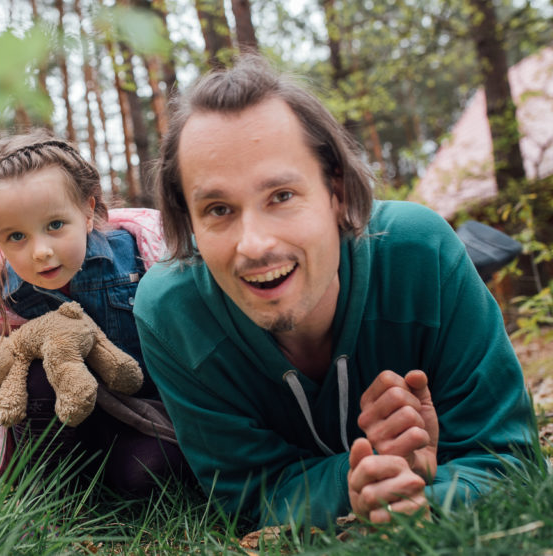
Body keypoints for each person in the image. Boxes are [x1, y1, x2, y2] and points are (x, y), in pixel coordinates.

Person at [134, 55, 537, 527]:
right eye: (219, 209)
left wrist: (428, 496)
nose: (255, 245)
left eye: (281, 196)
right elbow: (249, 495)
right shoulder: (171, 313)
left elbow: (510, 458)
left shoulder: (422, 253)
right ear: (189, 221)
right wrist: (361, 480)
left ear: (336, 191)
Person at [0, 129, 187, 495]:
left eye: (55, 226)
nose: (40, 251)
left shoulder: (137, 259)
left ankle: (108, 478)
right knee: (34, 371)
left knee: (152, 474)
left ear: (88, 211)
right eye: (16, 237)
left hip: (137, 417)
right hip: (57, 430)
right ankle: (50, 487)